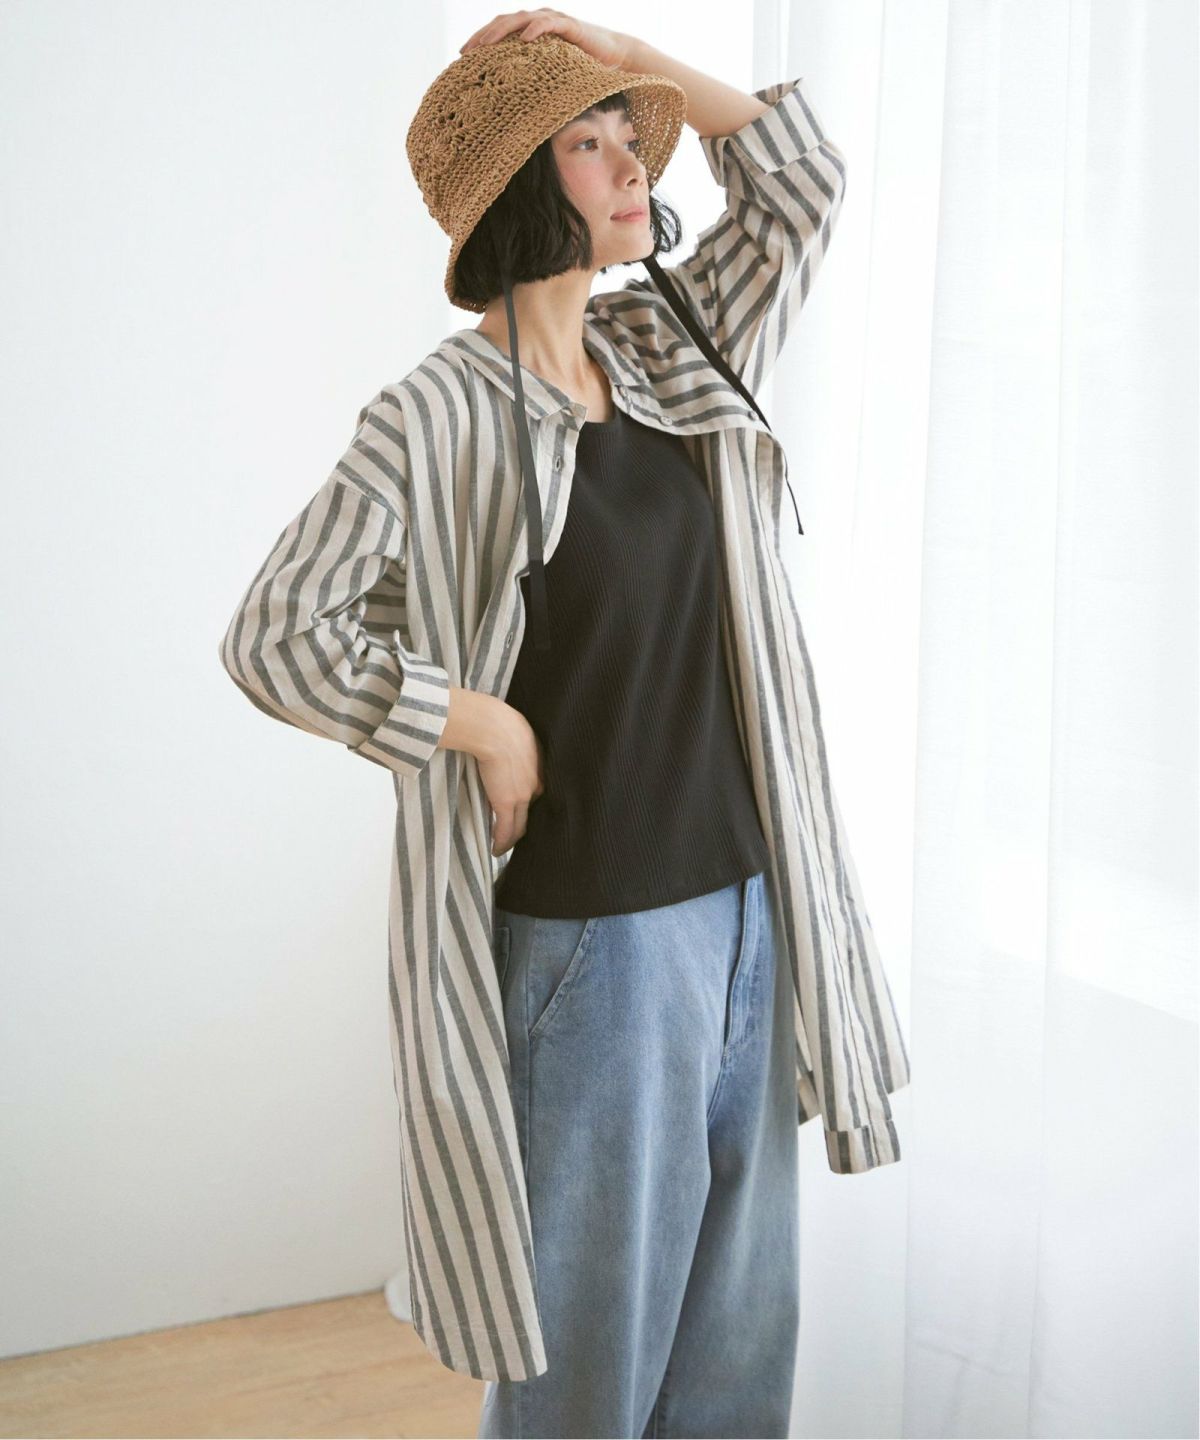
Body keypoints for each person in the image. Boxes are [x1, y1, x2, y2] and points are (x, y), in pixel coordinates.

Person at [219, 15, 911, 1439]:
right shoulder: (436, 418)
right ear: (520, 192)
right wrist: (476, 722)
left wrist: (613, 49)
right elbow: (278, 634)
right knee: (588, 1371)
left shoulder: (669, 347)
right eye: (589, 144)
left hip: (748, 906)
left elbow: (799, 182)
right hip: (598, 949)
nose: (634, 165)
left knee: (736, 1362)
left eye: (627, 138)